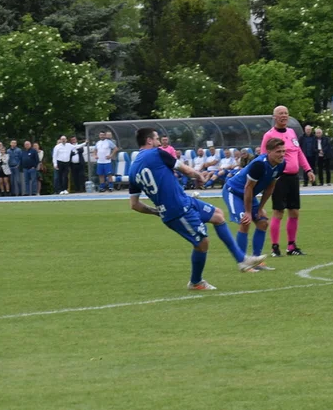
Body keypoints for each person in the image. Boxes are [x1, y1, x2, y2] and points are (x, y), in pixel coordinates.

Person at [129, 128, 266, 290]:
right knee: (202, 243)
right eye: (157, 139)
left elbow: (135, 204)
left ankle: (242, 260)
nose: (160, 142)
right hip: (177, 210)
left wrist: (156, 211)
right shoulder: (157, 153)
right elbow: (184, 169)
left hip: (184, 201)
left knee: (218, 215)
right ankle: (195, 282)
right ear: (149, 141)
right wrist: (199, 176)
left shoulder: (132, 170)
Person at [223, 137, 288, 269]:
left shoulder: (281, 164)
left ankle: (256, 262)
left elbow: (270, 186)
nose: (281, 154)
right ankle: (243, 263)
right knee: (245, 221)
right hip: (234, 192)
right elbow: (248, 187)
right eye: (278, 151)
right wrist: (248, 212)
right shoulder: (259, 165)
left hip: (248, 194)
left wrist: (260, 208)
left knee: (263, 222)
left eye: (283, 151)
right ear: (268, 152)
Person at [260, 105, 315, 257]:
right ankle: (275, 247)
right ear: (275, 117)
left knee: (294, 211)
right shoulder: (269, 135)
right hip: (278, 177)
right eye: (281, 114)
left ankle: (291, 246)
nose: (284, 116)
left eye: (286, 113)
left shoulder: (291, 132)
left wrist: (308, 169)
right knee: (278, 211)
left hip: (293, 177)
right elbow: (263, 158)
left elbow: (299, 152)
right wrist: (267, 176)